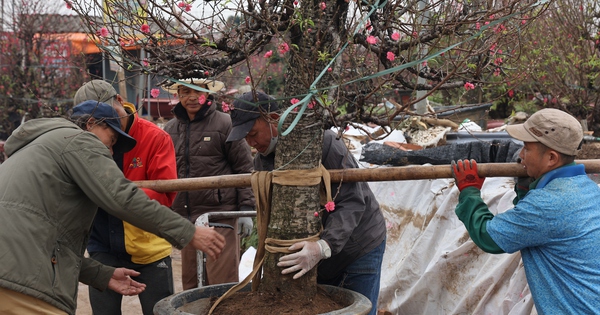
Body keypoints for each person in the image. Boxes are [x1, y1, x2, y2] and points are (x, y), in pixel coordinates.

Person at [0, 100, 225, 315]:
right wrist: (187, 232)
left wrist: (101, 274)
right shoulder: (77, 140)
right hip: (24, 286)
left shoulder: (34, 150)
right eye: (112, 139)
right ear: (91, 124)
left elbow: (42, 244)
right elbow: (121, 196)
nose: (110, 151)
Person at [225, 91, 387, 315]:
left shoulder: (324, 141)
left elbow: (352, 200)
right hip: (312, 258)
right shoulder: (262, 163)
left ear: (273, 117)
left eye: (253, 133)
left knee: (358, 310)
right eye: (246, 138)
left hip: (357, 246)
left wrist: (323, 246)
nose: (251, 143)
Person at [451, 108, 600, 314]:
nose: (520, 155)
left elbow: (489, 237)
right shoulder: (588, 188)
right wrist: (525, 189)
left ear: (551, 158)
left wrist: (469, 192)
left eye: (527, 149)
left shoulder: (548, 203)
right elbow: (536, 225)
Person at [73, 80, 178, 315]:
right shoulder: (81, 140)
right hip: (102, 245)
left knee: (159, 311)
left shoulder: (155, 137)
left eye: (111, 115)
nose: (105, 125)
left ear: (120, 101)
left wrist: (119, 194)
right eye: (93, 121)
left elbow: (166, 194)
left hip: (148, 247)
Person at [163, 78, 255, 289]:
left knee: (221, 281)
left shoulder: (225, 124)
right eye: (186, 91)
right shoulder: (170, 128)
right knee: (191, 282)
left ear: (208, 94)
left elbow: (244, 168)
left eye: (198, 91)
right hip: (186, 218)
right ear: (178, 95)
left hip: (219, 216)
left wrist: (246, 210)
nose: (192, 97)